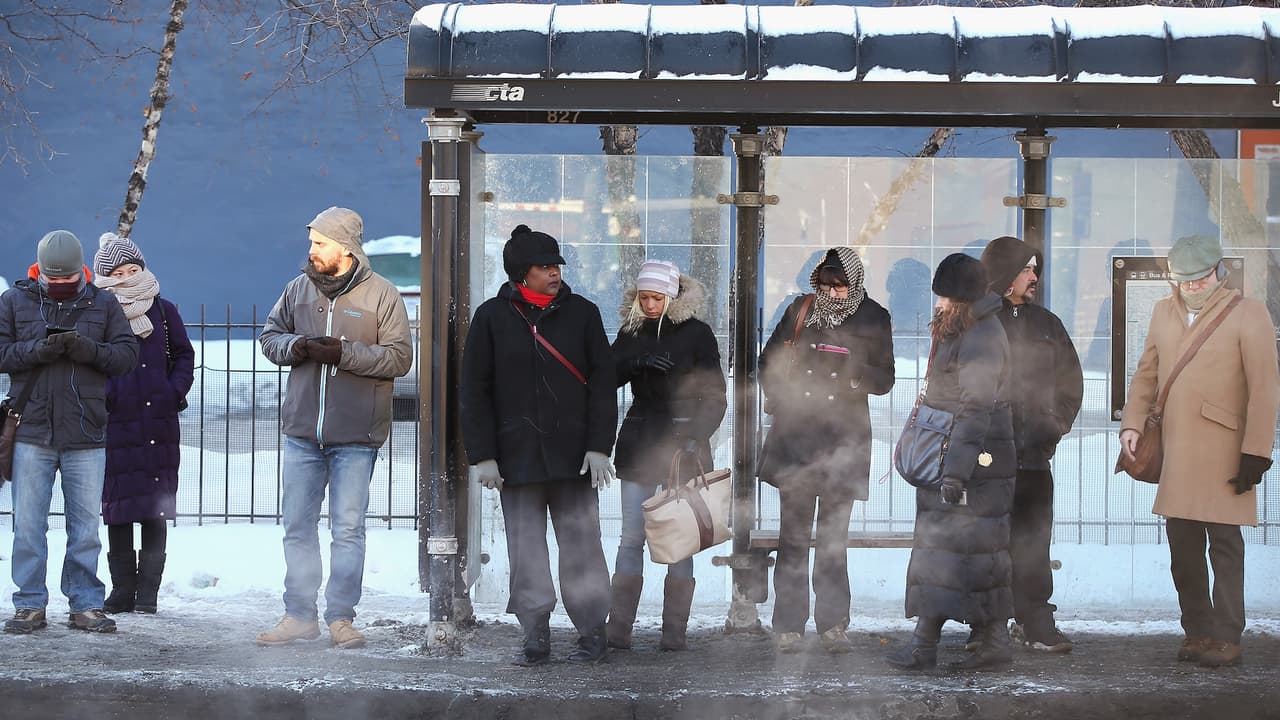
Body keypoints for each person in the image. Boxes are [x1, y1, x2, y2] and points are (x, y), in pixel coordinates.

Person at [256, 207, 413, 649]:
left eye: (319, 243)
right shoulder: (297, 289)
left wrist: (343, 354)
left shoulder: (382, 295)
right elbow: (270, 338)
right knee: (297, 527)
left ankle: (341, 617)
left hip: (356, 437)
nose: (311, 251)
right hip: (303, 432)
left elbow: (400, 358)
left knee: (347, 530)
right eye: (312, 242)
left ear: (345, 248)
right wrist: (299, 346)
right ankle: (299, 616)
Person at [1119, 234, 1279, 668]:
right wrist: (1132, 424)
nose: (1191, 287)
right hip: (1177, 451)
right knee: (1183, 548)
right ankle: (1197, 632)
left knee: (1225, 547)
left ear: (1219, 272)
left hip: (1227, 451)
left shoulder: (1250, 314)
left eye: (1199, 278)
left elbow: (1265, 389)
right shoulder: (1162, 312)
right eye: (1184, 280)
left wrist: (1257, 452)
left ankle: (1227, 636)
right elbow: (1146, 375)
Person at [460, 224, 617, 666]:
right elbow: (474, 390)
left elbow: (603, 386)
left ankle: (592, 630)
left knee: (583, 545)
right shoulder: (491, 317)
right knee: (526, 548)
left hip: (574, 458)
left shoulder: (583, 314)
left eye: (555, 265)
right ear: (520, 273)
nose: (554, 273)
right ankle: (535, 632)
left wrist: (599, 445)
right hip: (516, 458)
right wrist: (483, 455)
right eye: (544, 266)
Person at [0, 230, 139, 635]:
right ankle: (29, 603)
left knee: (85, 528)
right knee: (27, 525)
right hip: (31, 431)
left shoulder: (104, 302)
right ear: (38, 270)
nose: (60, 285)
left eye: (67, 279)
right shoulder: (13, 301)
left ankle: (86, 603)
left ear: (81, 270)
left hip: (86, 432)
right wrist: (37, 351)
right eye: (52, 279)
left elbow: (127, 356)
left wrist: (88, 350)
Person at [758, 247, 895, 654]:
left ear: (855, 282)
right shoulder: (800, 310)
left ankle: (833, 623)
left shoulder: (874, 317)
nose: (833, 293)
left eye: (841, 285)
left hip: (844, 439)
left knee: (834, 538)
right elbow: (767, 362)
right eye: (827, 284)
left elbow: (886, 377)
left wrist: (855, 376)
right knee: (793, 537)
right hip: (797, 436)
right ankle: (788, 625)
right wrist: (788, 391)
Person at [886, 252, 1016, 671]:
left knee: (949, 553)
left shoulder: (980, 337)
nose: (937, 303)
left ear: (960, 298)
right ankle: (986, 642)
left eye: (943, 295)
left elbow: (976, 407)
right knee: (968, 554)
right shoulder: (967, 329)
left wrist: (955, 472)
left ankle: (928, 645)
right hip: (968, 461)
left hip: (969, 465)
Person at [605, 260, 726, 652]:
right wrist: (635, 361)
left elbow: (716, 395)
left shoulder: (697, 334)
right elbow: (606, 376)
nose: (650, 304)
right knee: (631, 536)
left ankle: (674, 631)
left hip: (684, 442)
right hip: (641, 439)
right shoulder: (632, 330)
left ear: (673, 296)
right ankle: (618, 628)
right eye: (644, 298)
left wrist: (695, 436)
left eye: (657, 297)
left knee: (681, 537)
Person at [978, 236, 1082, 654]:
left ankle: (1037, 621)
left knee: (1034, 542)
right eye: (1026, 269)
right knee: (986, 543)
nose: (1034, 277)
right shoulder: (977, 322)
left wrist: (1054, 425)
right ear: (1005, 274)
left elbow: (1070, 381)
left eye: (1035, 269)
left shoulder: (1047, 324)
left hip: (1035, 457)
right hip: (985, 460)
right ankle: (986, 626)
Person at [91, 233, 195, 616]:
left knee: (155, 507)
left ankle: (147, 594)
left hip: (158, 421)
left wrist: (173, 391)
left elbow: (184, 356)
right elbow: (90, 363)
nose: (127, 277)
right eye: (118, 272)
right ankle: (122, 592)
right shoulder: (98, 312)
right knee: (117, 506)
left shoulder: (164, 311)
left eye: (133, 269)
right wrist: (107, 396)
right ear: (106, 276)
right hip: (116, 423)